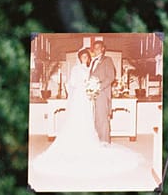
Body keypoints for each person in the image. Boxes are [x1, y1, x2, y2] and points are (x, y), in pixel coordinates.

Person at [29, 48, 149, 187]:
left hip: (88, 98)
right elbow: (72, 83)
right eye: (83, 56)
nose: (85, 58)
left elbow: (97, 79)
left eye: (87, 56)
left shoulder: (90, 68)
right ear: (80, 58)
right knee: (78, 118)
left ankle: (90, 140)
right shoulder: (76, 69)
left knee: (89, 119)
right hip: (79, 96)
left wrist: (92, 86)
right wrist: (85, 85)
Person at [88, 38, 116, 144]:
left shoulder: (107, 60)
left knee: (103, 118)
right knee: (95, 118)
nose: (96, 50)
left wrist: (98, 86)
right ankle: (97, 141)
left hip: (102, 93)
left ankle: (105, 142)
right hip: (92, 94)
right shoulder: (92, 62)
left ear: (103, 49)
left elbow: (111, 77)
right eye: (94, 48)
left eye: (98, 48)